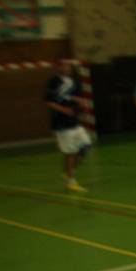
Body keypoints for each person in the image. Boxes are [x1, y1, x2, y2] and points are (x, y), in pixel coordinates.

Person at [45, 59, 92, 193]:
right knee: (70, 152)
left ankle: (68, 172)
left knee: (86, 146)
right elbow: (48, 102)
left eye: (69, 66)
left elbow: (77, 98)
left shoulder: (74, 82)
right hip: (61, 124)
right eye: (65, 65)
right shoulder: (54, 82)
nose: (68, 68)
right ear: (59, 67)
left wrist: (83, 107)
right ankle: (71, 181)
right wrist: (63, 110)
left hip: (75, 122)